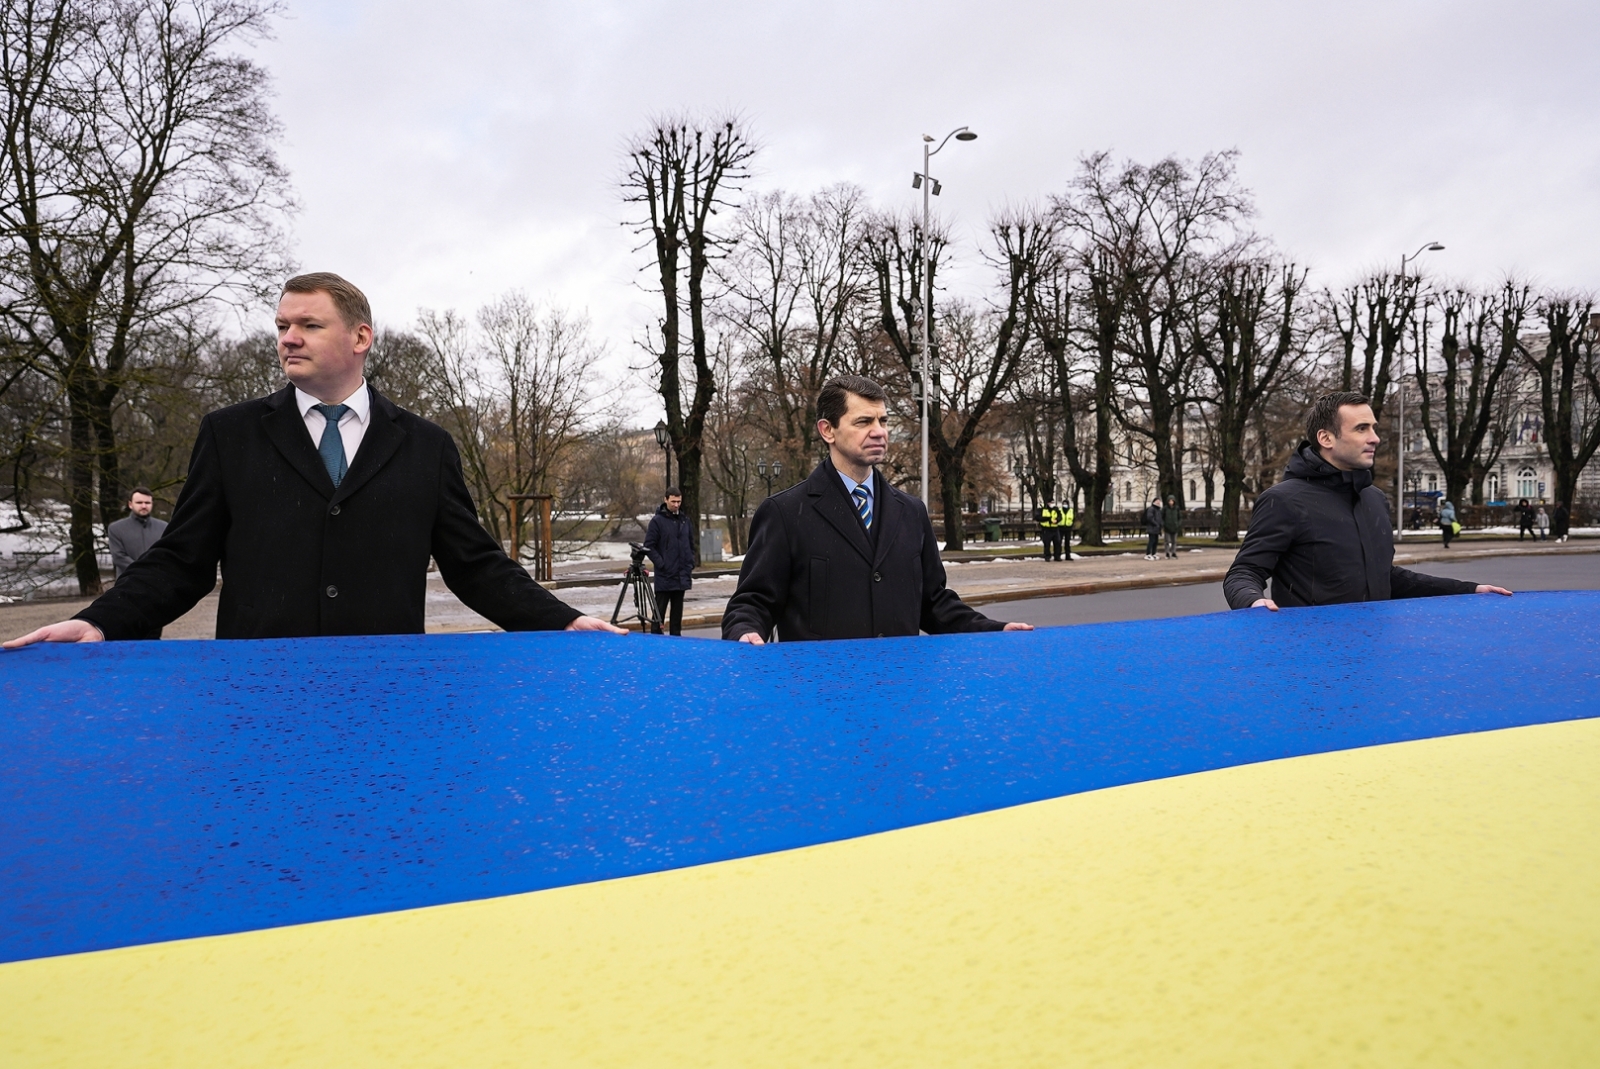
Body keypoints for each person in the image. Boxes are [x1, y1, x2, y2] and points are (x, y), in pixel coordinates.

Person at [5, 272, 623, 648]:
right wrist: (100, 622)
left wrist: (563, 621)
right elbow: (182, 560)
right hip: (256, 693)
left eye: (308, 324)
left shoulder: (426, 445)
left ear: (360, 337)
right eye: (281, 325)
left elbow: (475, 565)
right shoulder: (229, 434)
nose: (288, 337)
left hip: (387, 691)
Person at [722, 374, 1032, 643]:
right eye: (863, 422)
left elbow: (934, 603)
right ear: (827, 430)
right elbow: (753, 602)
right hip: (822, 687)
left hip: (900, 685)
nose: (879, 431)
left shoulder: (912, 512)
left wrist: (993, 630)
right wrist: (744, 631)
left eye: (883, 421)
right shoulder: (784, 512)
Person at [1224, 391, 1512, 611]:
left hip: (1374, 650)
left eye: (1373, 428)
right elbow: (1244, 572)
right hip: (1312, 656)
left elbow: (1384, 577)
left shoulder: (1374, 498)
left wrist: (1468, 590)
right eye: (1361, 428)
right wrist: (1253, 603)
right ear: (1326, 438)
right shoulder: (1283, 500)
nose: (1375, 438)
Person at [643, 487, 694, 636]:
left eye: (679, 501)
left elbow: (691, 544)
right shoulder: (657, 521)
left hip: (681, 574)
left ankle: (676, 640)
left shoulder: (685, 520)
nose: (676, 505)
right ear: (666, 500)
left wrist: (690, 562)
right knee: (659, 613)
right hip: (665, 575)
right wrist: (661, 564)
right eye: (673, 501)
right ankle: (656, 641)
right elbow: (649, 546)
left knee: (677, 615)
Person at [107, 487, 168, 581]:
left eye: (147, 503)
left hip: (158, 582)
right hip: (128, 583)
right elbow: (119, 557)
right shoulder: (116, 528)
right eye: (139, 502)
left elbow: (167, 554)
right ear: (130, 504)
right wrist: (143, 571)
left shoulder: (164, 527)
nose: (144, 506)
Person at [1161, 495, 1183, 559]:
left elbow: (1180, 517)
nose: (1171, 502)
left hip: (1175, 527)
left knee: (1174, 541)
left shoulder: (1177, 508)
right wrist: (1164, 524)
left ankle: (1173, 552)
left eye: (1172, 501)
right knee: (1167, 541)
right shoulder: (1165, 508)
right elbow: (1162, 517)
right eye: (1169, 501)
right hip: (1167, 527)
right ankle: (1167, 553)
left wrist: (1178, 524)